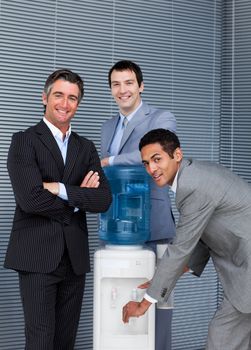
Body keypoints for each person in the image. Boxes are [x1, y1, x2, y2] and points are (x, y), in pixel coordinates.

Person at [4, 68, 112, 350]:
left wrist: (61, 189)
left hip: (73, 260)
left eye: (73, 98)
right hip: (36, 257)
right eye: (59, 95)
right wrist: (78, 201)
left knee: (66, 342)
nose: (65, 104)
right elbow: (29, 200)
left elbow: (103, 199)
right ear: (44, 97)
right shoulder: (24, 141)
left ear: (79, 103)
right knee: (40, 341)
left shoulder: (85, 147)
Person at [123, 128, 251, 350]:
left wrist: (146, 303)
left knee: (222, 339)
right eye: (146, 163)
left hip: (246, 272)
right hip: (243, 268)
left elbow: (181, 247)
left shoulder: (193, 187)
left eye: (157, 159)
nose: (151, 169)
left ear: (177, 155)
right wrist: (162, 278)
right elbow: (202, 236)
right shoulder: (195, 174)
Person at [101, 60, 176, 350]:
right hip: (119, 229)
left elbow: (155, 153)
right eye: (116, 84)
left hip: (156, 226)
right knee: (121, 305)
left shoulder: (161, 117)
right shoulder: (108, 127)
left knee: (160, 308)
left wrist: (110, 161)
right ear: (111, 90)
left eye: (129, 82)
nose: (123, 90)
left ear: (141, 86)